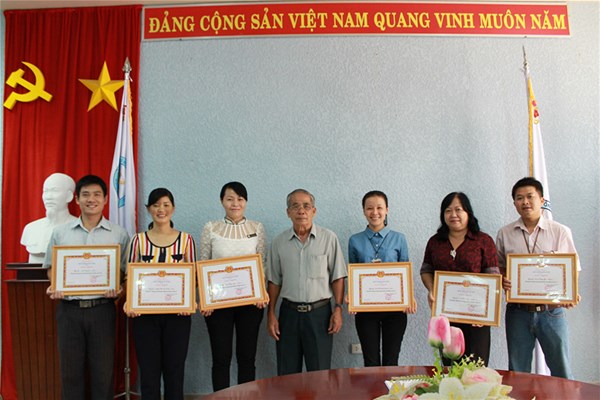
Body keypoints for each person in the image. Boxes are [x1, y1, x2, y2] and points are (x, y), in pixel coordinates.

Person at [44, 175, 130, 400]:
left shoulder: (119, 234)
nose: (91, 199)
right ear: (77, 199)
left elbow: (125, 273)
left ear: (105, 199)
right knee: (70, 373)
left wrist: (119, 290)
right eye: (85, 195)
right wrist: (56, 284)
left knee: (103, 373)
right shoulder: (61, 232)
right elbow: (51, 267)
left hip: (102, 310)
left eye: (97, 194)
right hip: (69, 311)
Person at [496, 177, 579, 379]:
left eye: (530, 196)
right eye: (519, 198)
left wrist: (571, 293)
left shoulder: (560, 231)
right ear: (514, 203)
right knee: (517, 371)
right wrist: (502, 279)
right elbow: (499, 267)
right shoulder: (505, 233)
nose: (525, 202)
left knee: (561, 371)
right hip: (518, 312)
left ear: (541, 200)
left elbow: (572, 268)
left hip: (552, 312)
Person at [125, 188, 197, 400]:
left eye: (166, 205)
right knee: (149, 373)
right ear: (148, 209)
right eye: (156, 205)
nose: (161, 209)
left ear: (173, 208)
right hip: (145, 316)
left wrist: (190, 302)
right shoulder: (138, 241)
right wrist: (130, 301)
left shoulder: (186, 240)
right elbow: (130, 275)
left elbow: (192, 275)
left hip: (178, 316)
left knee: (175, 372)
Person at [266, 189, 347, 376]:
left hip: (320, 316)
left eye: (306, 206)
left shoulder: (329, 239)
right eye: (295, 206)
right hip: (288, 315)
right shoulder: (278, 243)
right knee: (287, 375)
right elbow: (274, 281)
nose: (301, 210)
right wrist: (271, 314)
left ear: (314, 211)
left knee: (320, 375)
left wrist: (338, 309)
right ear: (288, 212)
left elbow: (337, 277)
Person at [200, 182, 268, 391]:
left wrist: (262, 292)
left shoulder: (257, 228)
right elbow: (203, 264)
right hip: (218, 304)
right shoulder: (211, 228)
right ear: (222, 201)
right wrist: (204, 298)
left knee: (247, 358)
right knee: (221, 358)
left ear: (246, 202)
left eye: (240, 199)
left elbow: (262, 264)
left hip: (251, 304)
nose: (235, 203)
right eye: (229, 199)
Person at [420, 192, 499, 366]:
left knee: (476, 368)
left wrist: (485, 311)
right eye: (448, 210)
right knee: (450, 367)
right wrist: (432, 289)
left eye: (458, 210)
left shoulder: (483, 240)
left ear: (468, 212)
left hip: (476, 317)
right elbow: (426, 270)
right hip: (446, 315)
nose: (453, 215)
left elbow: (493, 276)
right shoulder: (435, 242)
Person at [348, 190, 416, 366]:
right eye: (369, 208)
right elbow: (353, 273)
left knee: (391, 360)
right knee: (370, 361)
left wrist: (410, 297)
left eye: (379, 207)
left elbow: (405, 271)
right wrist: (352, 297)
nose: (375, 212)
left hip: (395, 310)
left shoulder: (399, 238)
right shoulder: (354, 240)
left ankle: (389, 387)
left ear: (387, 210)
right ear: (364, 211)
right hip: (366, 311)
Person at [21, 172, 78, 263]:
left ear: (69, 196)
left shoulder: (79, 228)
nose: (48, 197)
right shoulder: (31, 228)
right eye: (46, 191)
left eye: (55, 191)